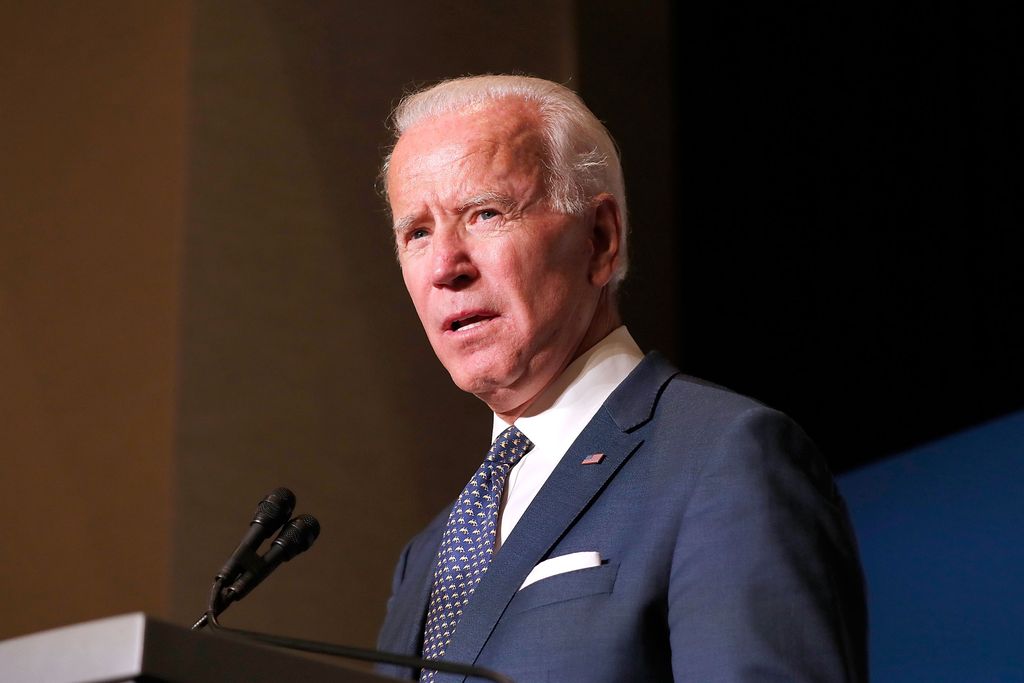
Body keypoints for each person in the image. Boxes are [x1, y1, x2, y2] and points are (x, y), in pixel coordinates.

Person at [375, 74, 867, 683]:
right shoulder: (426, 557)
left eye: (485, 213)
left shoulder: (725, 457)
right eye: (417, 233)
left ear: (600, 239)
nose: (445, 266)